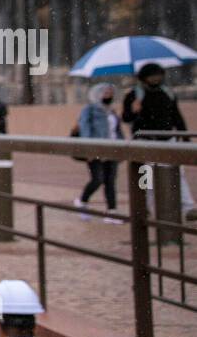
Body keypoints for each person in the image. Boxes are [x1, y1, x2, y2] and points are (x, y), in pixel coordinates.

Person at [122, 62, 194, 219]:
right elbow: (126, 118)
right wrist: (134, 111)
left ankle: (188, 207)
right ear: (144, 77)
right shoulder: (133, 95)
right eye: (152, 75)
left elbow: (176, 116)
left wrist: (185, 136)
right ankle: (143, 206)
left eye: (158, 75)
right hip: (144, 140)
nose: (156, 78)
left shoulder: (167, 93)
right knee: (145, 175)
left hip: (167, 139)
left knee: (177, 173)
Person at [74, 82, 124, 223]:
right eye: (105, 92)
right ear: (97, 94)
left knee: (110, 181)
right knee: (98, 179)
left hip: (112, 150)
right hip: (96, 150)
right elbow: (85, 128)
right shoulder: (89, 109)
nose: (109, 95)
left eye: (110, 92)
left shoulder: (111, 111)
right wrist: (88, 148)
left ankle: (112, 212)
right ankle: (82, 201)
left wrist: (123, 147)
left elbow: (117, 131)